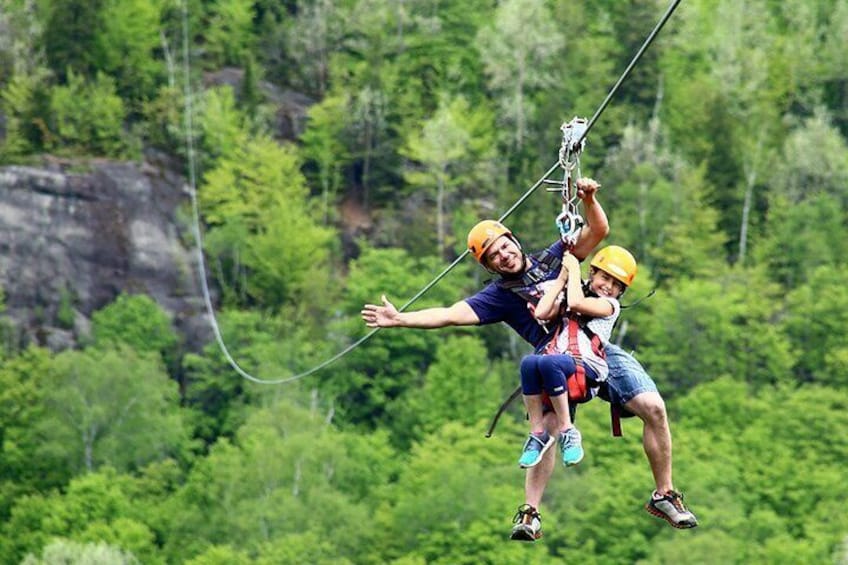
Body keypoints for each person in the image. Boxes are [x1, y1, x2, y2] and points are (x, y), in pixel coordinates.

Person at [361, 178, 698, 541]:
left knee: (655, 407)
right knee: (548, 430)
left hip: (596, 347)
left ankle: (664, 494)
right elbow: (450, 314)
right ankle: (530, 511)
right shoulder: (500, 296)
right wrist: (402, 320)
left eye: (505, 246)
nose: (504, 255)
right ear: (490, 266)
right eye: (494, 256)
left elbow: (598, 229)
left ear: (514, 241)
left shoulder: (553, 257)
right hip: (553, 355)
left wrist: (588, 198)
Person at [515, 246, 635, 478]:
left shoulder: (610, 305)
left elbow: (578, 304)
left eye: (616, 285)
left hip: (587, 368)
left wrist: (573, 269)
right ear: (593, 273)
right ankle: (537, 432)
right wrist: (562, 277)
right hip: (563, 363)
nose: (608, 287)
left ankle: (568, 430)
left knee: (550, 363)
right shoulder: (574, 291)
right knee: (529, 363)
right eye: (605, 278)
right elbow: (541, 313)